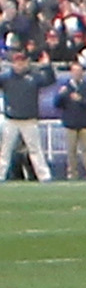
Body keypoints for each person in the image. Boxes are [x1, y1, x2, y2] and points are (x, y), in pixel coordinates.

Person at [2, 41, 47, 183]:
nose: (19, 65)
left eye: (22, 62)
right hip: (12, 119)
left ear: (26, 63)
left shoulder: (33, 76)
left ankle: (44, 176)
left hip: (29, 120)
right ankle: (1, 175)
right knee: (5, 151)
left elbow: (49, 80)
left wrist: (46, 66)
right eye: (17, 62)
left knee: (35, 150)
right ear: (13, 64)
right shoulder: (6, 78)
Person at [56, 67, 86, 180]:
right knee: (71, 150)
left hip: (85, 123)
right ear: (71, 72)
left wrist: (80, 99)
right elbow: (57, 104)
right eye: (75, 71)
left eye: (79, 71)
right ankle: (72, 172)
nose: (77, 73)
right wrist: (60, 95)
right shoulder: (65, 87)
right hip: (70, 123)